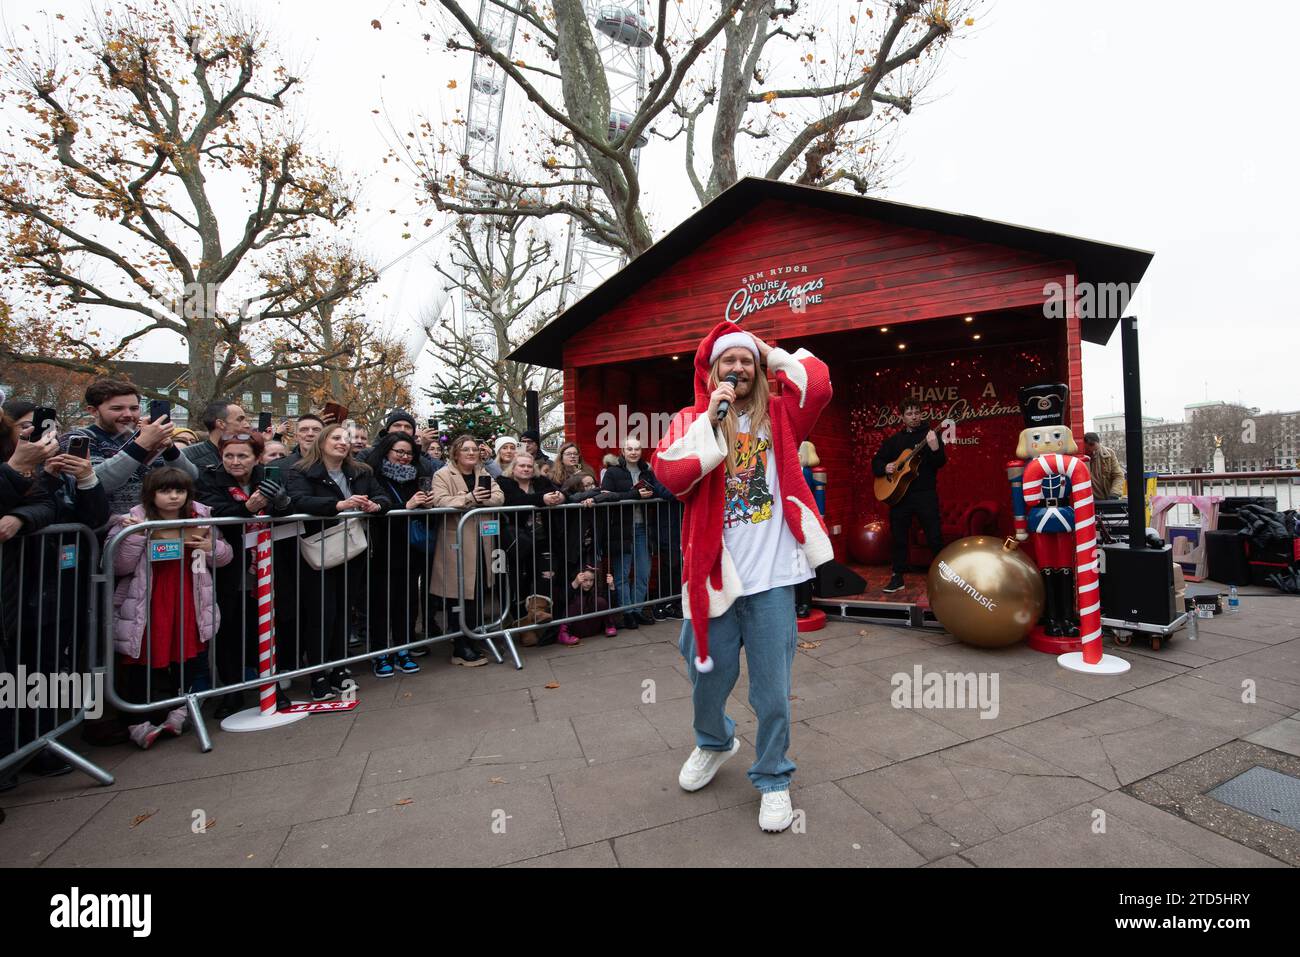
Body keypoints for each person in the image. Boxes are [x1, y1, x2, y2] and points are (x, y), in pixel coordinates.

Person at [652, 323, 832, 833]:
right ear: (712, 373)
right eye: (727, 361)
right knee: (706, 680)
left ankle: (773, 777)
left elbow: (818, 383)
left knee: (772, 693)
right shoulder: (691, 419)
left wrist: (767, 350)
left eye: (746, 361)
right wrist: (708, 422)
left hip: (772, 580)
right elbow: (669, 475)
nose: (737, 369)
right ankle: (715, 742)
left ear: (759, 368)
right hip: (714, 579)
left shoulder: (782, 415)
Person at [108, 468, 231, 748]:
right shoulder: (132, 520)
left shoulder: (201, 517)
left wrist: (211, 546)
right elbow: (118, 565)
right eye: (165, 491)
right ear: (151, 494)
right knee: (143, 660)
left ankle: (178, 711)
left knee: (187, 658)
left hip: (189, 597)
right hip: (147, 601)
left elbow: (225, 557)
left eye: (180, 490)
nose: (174, 496)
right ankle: (139, 721)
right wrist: (136, 535)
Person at [285, 424, 392, 701]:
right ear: (322, 442)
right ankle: (318, 673)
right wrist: (337, 506)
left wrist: (375, 506)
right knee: (322, 612)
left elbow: (383, 497)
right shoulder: (300, 471)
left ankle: (340, 667)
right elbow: (298, 501)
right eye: (335, 438)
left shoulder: (361, 472)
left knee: (345, 610)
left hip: (353, 550)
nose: (342, 442)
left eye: (346, 438)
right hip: (319, 550)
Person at [195, 431, 295, 718]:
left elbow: (290, 509)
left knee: (266, 625)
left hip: (268, 563)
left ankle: (271, 686)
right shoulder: (209, 478)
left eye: (242, 456)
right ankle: (232, 691)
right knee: (228, 630)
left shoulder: (271, 476)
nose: (235, 462)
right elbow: (211, 511)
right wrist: (245, 508)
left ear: (257, 458)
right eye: (229, 456)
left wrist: (282, 503)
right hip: (230, 566)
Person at [58, 378, 198, 517]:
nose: (128, 415)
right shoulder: (79, 439)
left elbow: (191, 478)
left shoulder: (148, 436)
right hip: (109, 526)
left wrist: (170, 449)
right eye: (117, 408)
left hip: (156, 524)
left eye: (134, 408)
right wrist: (141, 445)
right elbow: (96, 484)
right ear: (94, 411)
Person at [363, 432, 435, 678]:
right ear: (387, 451)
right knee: (381, 603)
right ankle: (380, 652)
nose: (404, 457)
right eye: (399, 452)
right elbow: (373, 509)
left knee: (407, 602)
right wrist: (406, 506)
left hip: (410, 548)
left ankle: (403, 648)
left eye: (409, 453)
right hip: (382, 548)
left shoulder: (417, 477)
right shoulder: (373, 476)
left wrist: (427, 505)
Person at [429, 434, 504, 666]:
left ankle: (472, 637)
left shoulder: (484, 474)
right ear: (455, 453)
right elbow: (440, 500)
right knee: (458, 594)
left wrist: (477, 501)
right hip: (457, 543)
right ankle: (459, 645)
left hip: (482, 542)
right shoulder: (442, 474)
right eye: (465, 449)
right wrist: (469, 498)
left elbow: (499, 497)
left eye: (474, 449)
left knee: (477, 591)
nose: (471, 453)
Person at [871, 399, 946, 594]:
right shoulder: (894, 441)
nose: (914, 416)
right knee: (899, 538)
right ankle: (897, 577)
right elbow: (876, 461)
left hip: (925, 494)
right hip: (899, 497)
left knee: (934, 536)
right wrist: (884, 467)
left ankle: (944, 576)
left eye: (917, 413)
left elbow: (940, 462)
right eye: (910, 413)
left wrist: (935, 447)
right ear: (903, 417)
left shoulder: (931, 435)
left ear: (921, 414)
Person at [601, 437, 669, 630]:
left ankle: (637, 610)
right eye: (629, 449)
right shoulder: (612, 472)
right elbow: (606, 496)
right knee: (622, 573)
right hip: (621, 528)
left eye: (637, 449)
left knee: (643, 572)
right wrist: (635, 495)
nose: (633, 452)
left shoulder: (647, 472)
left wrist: (652, 494)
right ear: (622, 451)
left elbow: (658, 491)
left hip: (643, 528)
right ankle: (627, 612)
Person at [496, 451, 564, 619]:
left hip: (543, 539)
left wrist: (560, 497)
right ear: (513, 468)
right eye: (522, 466)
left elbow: (560, 493)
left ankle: (537, 613)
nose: (526, 469)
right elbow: (514, 500)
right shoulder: (503, 482)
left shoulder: (541, 481)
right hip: (517, 542)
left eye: (529, 466)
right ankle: (518, 621)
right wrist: (542, 499)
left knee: (546, 577)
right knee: (519, 582)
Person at [184, 400, 249, 471]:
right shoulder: (187, 457)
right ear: (221, 424)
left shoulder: (251, 455)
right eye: (239, 420)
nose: (247, 425)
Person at [1083, 432, 1125, 500]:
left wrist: (1114, 493)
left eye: (1096, 450)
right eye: (1089, 451)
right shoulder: (1079, 457)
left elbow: (1118, 475)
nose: (1093, 453)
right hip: (1086, 500)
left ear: (1098, 444)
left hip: (1105, 499)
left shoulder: (1109, 454)